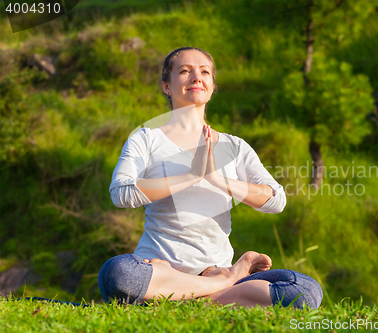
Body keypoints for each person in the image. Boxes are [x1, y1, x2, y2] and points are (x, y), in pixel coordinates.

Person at [98, 47, 323, 309]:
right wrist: (191, 175)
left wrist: (218, 180)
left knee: (304, 291)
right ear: (166, 86)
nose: (196, 77)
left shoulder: (234, 146)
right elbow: (121, 193)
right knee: (118, 274)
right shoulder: (147, 139)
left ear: (212, 86)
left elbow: (276, 200)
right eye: (184, 71)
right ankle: (222, 285)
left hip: (207, 270)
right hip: (159, 272)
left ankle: (194, 294)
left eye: (204, 71)